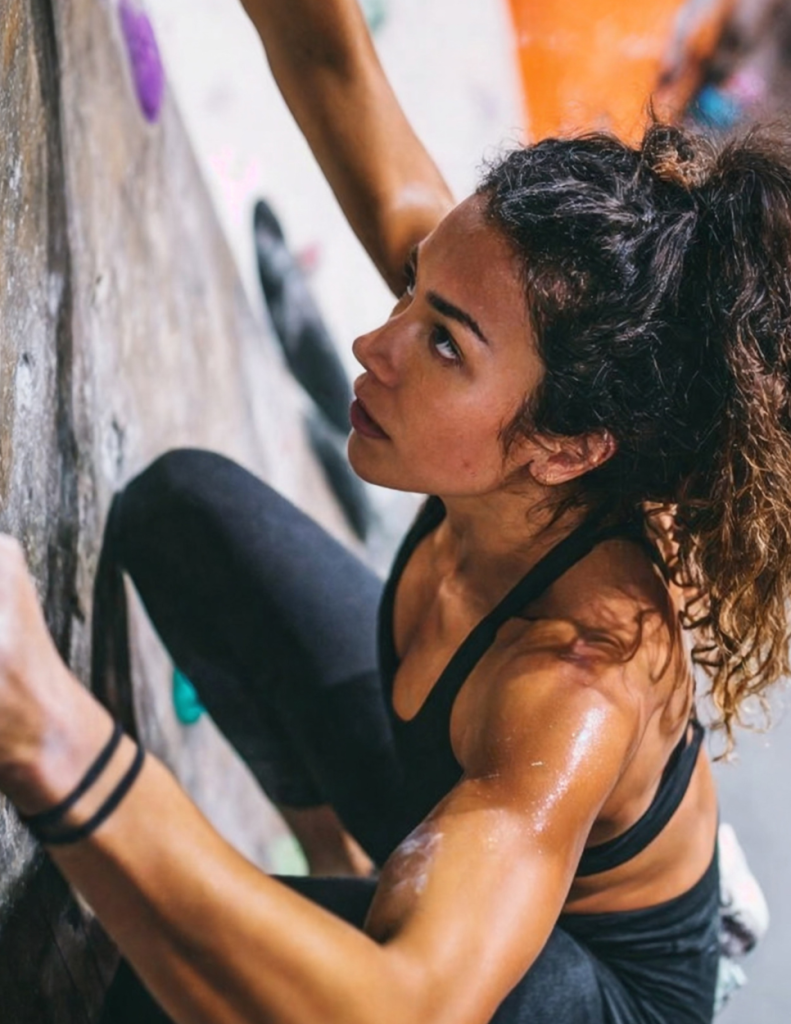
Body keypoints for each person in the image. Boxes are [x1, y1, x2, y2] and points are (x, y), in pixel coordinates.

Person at [0, 1, 789, 1022]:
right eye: (413, 287)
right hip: (460, 796)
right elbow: (330, 62)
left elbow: (396, 1009)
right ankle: (341, 864)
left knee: (159, 994)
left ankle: (381, 909)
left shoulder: (576, 685)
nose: (376, 343)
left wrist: (50, 737)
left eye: (443, 341)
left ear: (563, 447)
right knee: (180, 515)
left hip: (594, 993)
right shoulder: (500, 334)